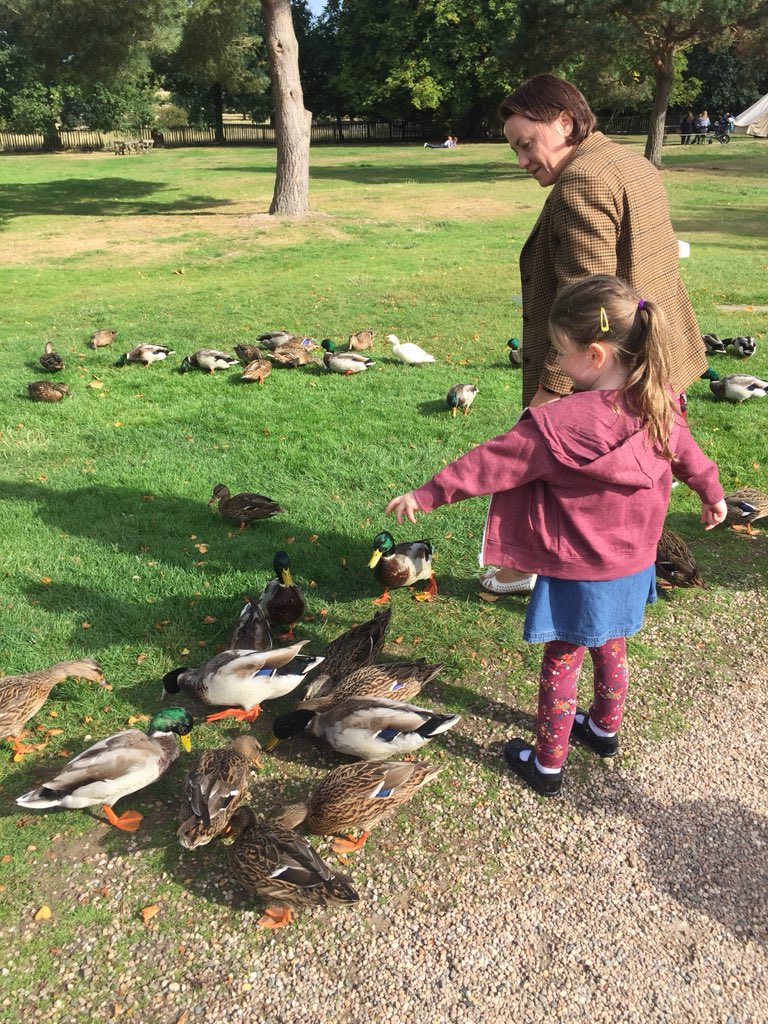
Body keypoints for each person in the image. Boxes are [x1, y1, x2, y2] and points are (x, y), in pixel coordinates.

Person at [384, 275, 726, 796]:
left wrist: (427, 493)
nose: (559, 364)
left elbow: (491, 462)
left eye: (562, 353)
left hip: (577, 571)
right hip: (632, 563)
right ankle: (604, 730)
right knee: (611, 645)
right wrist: (712, 493)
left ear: (595, 355)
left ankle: (547, 763)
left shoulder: (559, 423)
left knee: (562, 661)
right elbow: (691, 458)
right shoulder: (659, 403)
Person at [485, 74, 708, 594]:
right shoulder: (630, 162)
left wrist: (553, 388)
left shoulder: (581, 181)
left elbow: (587, 297)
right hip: (656, 355)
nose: (521, 161)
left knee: (561, 472)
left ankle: (540, 572)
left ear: (564, 122)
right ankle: (626, 567)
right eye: (515, 149)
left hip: (607, 366)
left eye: (526, 144)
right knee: (638, 469)